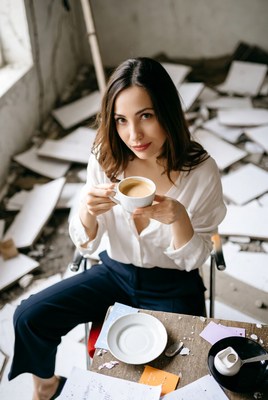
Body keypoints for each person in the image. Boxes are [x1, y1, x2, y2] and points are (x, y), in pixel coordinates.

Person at [8, 57, 226, 399]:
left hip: (173, 285)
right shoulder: (106, 157)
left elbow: (194, 259)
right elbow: (84, 244)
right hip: (113, 274)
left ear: (167, 112)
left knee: (177, 372)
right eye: (121, 120)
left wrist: (179, 219)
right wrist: (87, 212)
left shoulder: (201, 172)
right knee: (28, 315)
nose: (133, 135)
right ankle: (46, 389)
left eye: (146, 116)